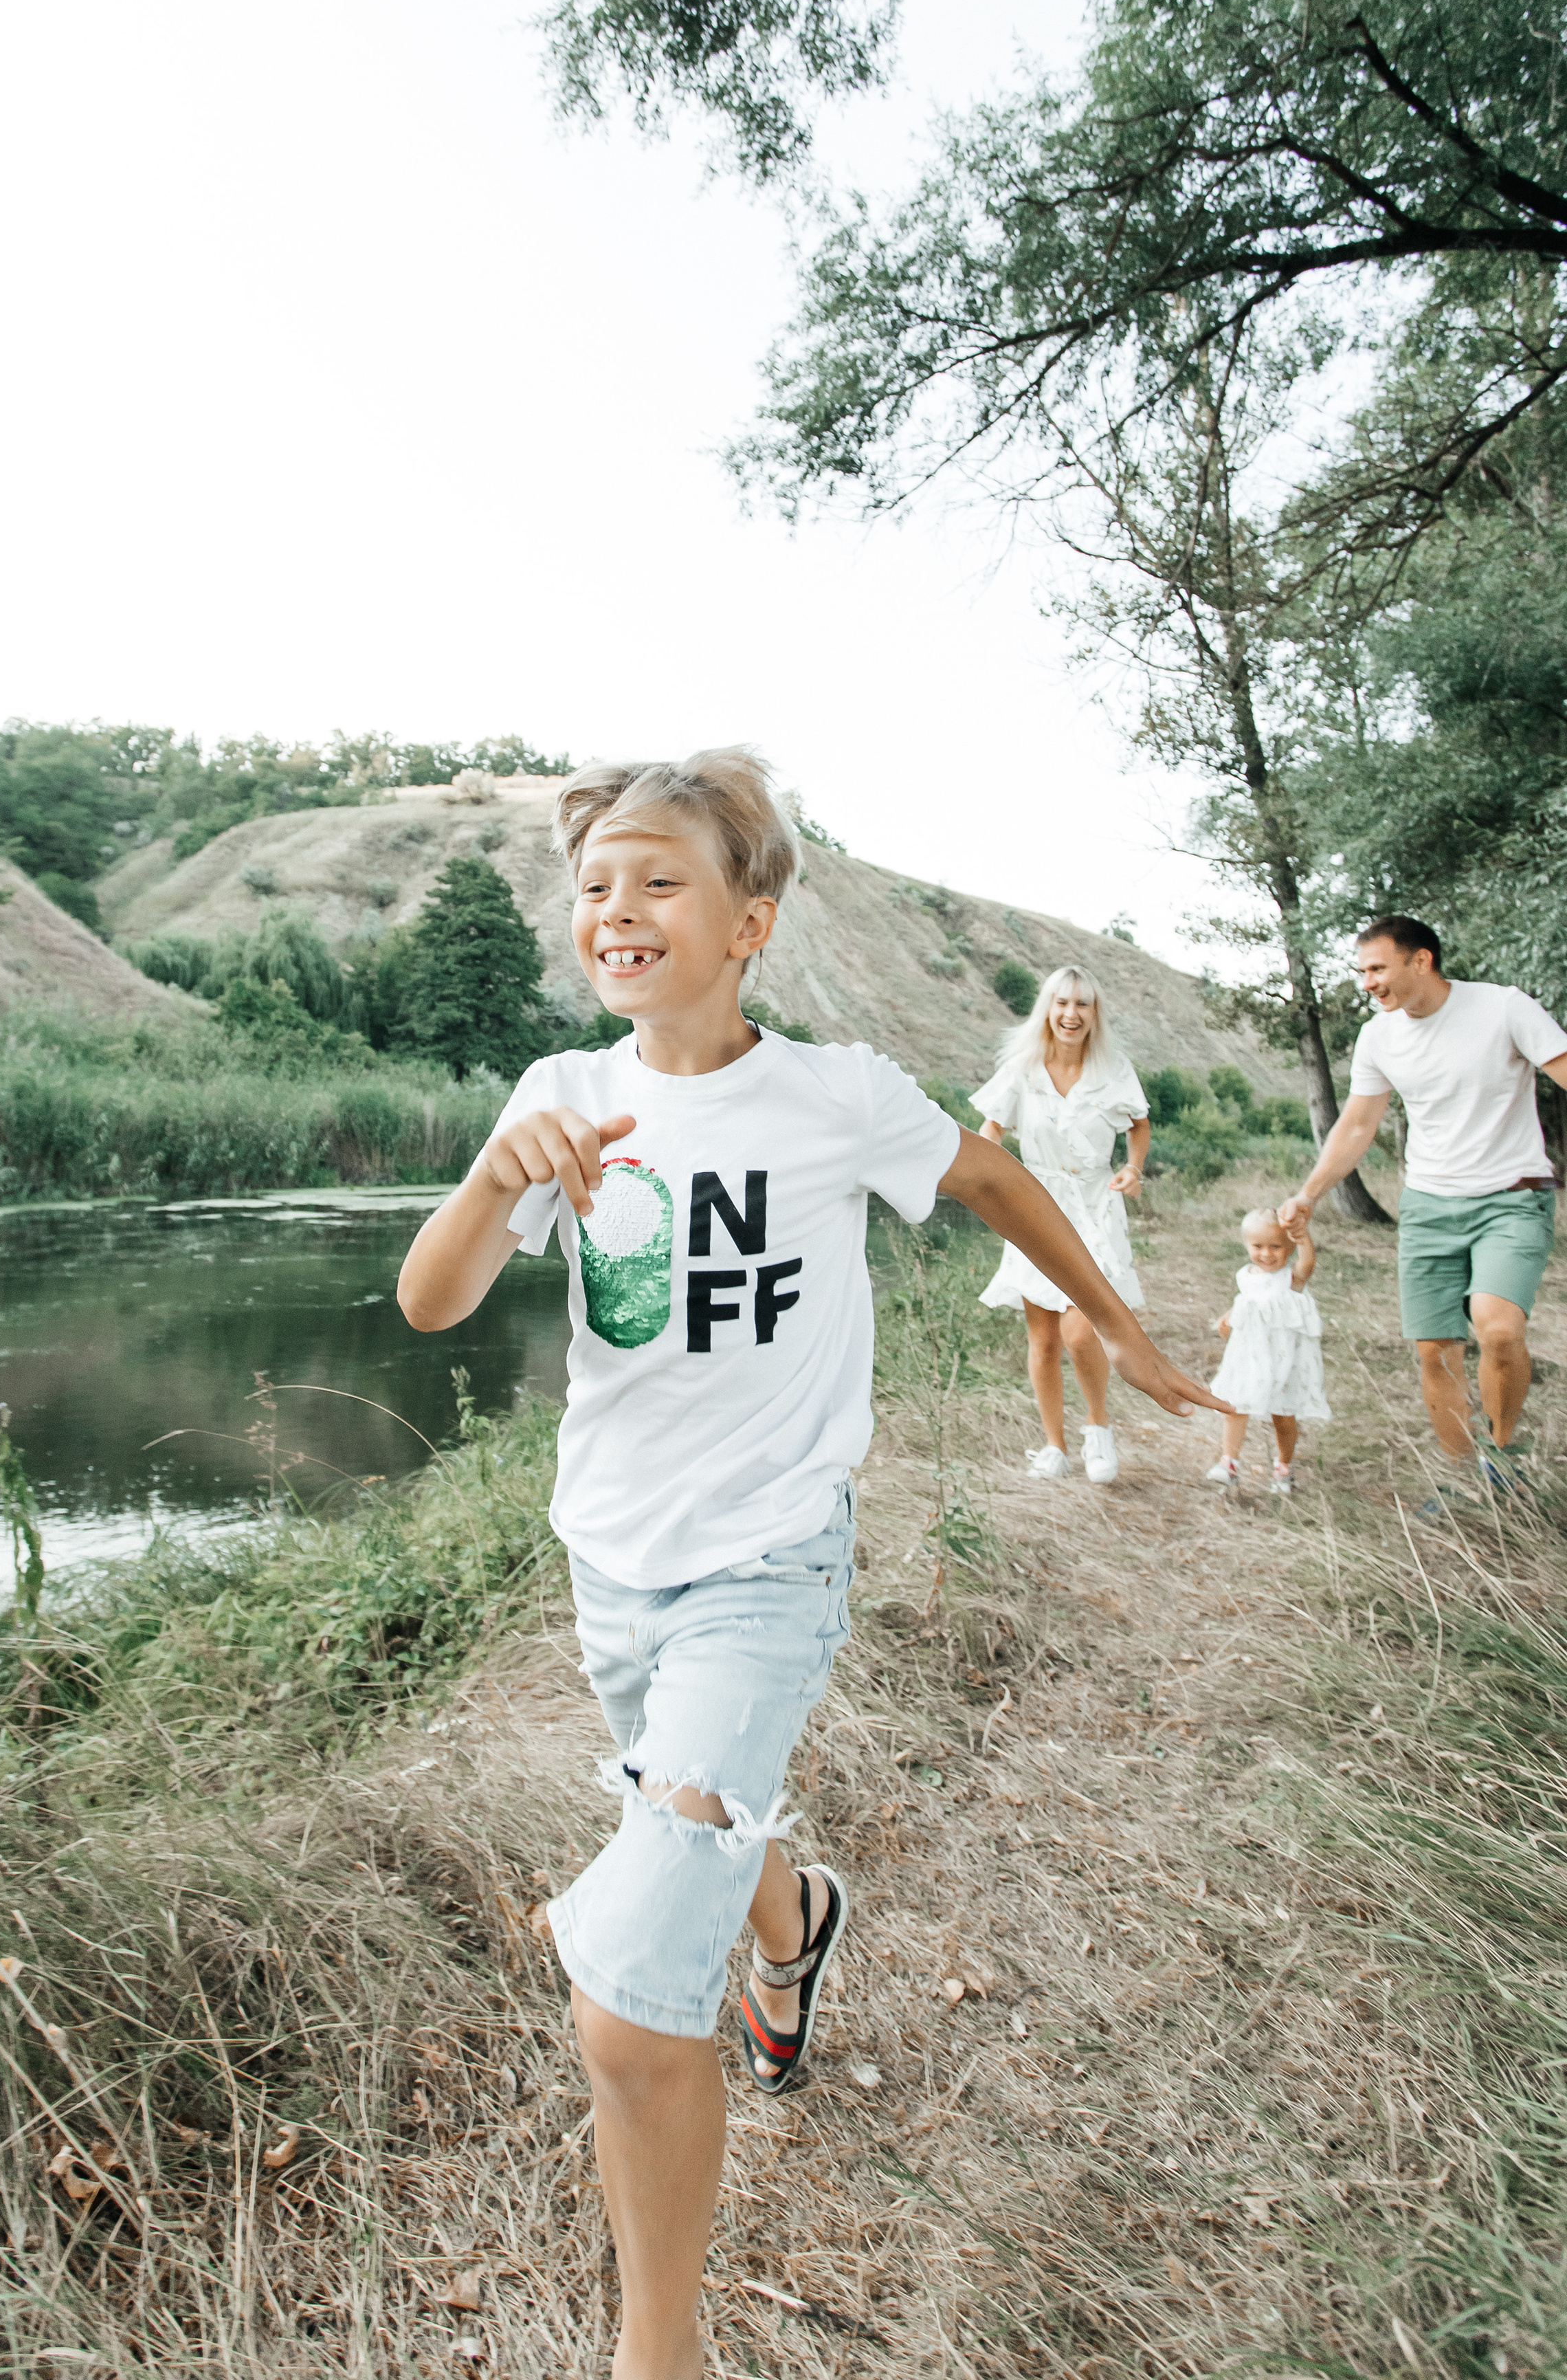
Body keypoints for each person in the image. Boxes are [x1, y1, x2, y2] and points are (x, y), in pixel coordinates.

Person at [397, 748, 1220, 2380]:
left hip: (771, 1561)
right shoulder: (558, 1091)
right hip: (611, 1562)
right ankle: (796, 1917)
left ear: (748, 922)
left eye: (659, 879)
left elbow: (989, 1175)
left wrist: (1117, 1327)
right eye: (593, 885)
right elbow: (430, 1302)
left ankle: (658, 2351)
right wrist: (496, 1175)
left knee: (632, 2000)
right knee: (693, 1809)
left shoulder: (834, 1095)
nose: (616, 908)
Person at [1279, 916, 1567, 1482]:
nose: (1367, 983)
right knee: (1435, 1349)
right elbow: (1357, 1124)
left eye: (1377, 969)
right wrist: (1310, 1192)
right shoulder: (1378, 1036)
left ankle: (1501, 1461)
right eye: (1362, 971)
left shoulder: (1502, 1008)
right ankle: (1462, 1479)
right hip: (1429, 1207)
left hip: (1512, 1197)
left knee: (1498, 1329)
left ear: (1421, 961)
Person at [973, 966, 1152, 1485]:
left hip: (1094, 1205)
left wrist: (1134, 1167)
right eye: (1063, 1003)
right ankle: (1054, 1445)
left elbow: (1139, 1125)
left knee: (1080, 1331)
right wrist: (989, 1172)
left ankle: (1098, 1427)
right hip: (1036, 1204)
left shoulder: (1113, 1070)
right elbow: (991, 1127)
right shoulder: (1023, 1068)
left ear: (1095, 1013)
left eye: (1083, 1004)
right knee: (1044, 1339)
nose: (1072, 1015)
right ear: (1048, 1009)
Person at [1205, 1208, 1329, 1493]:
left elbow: (1308, 1263)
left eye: (1276, 1247)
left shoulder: (1291, 1279)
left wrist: (1303, 1237)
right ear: (1247, 1245)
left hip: (1283, 1359)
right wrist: (1229, 1317)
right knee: (1236, 1405)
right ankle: (1229, 1463)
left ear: (1289, 1247)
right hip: (1250, 1355)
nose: (1266, 1254)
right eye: (1258, 1246)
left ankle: (1284, 1467)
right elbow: (1249, 1302)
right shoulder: (1246, 1275)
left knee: (1282, 1415)